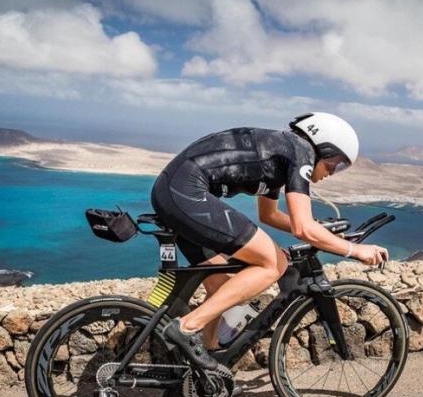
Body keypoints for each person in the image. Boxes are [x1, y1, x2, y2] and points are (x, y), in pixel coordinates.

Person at [153, 112, 389, 370]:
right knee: (274, 264)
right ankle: (186, 327)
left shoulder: (278, 154)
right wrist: (354, 250)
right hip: (186, 194)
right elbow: (302, 228)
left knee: (222, 286)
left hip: (174, 193)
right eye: (336, 163)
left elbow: (270, 216)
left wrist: (327, 236)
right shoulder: (301, 153)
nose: (333, 172)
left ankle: (205, 361)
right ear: (323, 147)